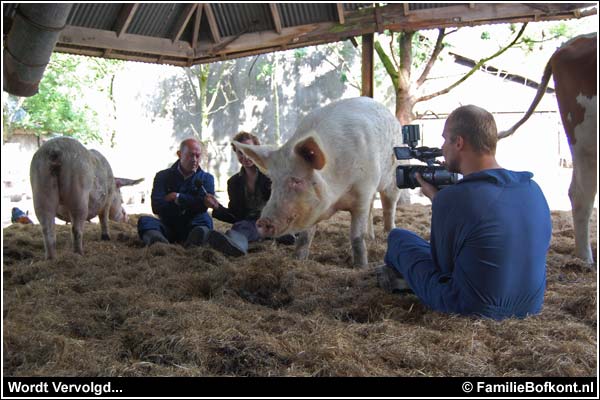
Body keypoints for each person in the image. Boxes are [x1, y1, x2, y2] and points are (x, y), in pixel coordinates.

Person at [377, 105, 552, 320]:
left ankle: (400, 278)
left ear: (459, 142)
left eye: (445, 140)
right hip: (531, 306)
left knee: (399, 238)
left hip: (469, 308)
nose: (442, 148)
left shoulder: (455, 199)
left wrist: (439, 201)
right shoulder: (533, 187)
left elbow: (443, 268)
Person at [209, 131, 295, 257]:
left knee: (242, 229)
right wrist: (217, 207)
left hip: (274, 222)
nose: (245, 156)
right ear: (236, 154)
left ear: (257, 150)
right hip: (250, 225)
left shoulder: (272, 175)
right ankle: (237, 245)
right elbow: (235, 216)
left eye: (250, 150)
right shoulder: (233, 182)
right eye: (240, 152)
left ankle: (238, 242)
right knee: (241, 226)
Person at [137, 138, 219, 247]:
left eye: (198, 156)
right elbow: (156, 206)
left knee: (205, 219)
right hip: (167, 226)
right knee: (144, 221)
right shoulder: (162, 176)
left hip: (193, 226)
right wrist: (192, 201)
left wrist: (176, 197)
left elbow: (202, 206)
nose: (195, 160)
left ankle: (194, 242)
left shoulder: (207, 179)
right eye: (191, 155)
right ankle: (159, 243)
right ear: (180, 154)